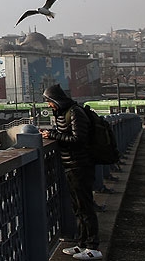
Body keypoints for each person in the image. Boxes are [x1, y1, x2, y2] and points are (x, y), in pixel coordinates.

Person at [40, 83, 102, 260]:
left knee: (85, 207)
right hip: (71, 165)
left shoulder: (75, 112)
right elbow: (65, 133)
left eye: (49, 101)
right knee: (78, 207)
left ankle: (93, 247)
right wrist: (51, 133)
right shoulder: (63, 113)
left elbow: (78, 138)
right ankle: (82, 244)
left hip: (80, 165)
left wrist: (53, 136)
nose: (48, 105)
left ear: (56, 100)